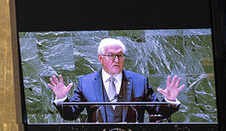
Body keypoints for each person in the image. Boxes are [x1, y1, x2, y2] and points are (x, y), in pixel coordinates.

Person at [47, 37, 184, 123]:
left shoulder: (139, 81)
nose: (116, 60)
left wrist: (170, 101)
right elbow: (70, 115)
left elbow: (157, 112)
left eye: (120, 55)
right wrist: (61, 98)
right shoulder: (86, 83)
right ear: (100, 58)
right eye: (111, 55)